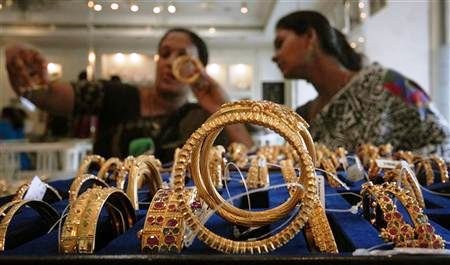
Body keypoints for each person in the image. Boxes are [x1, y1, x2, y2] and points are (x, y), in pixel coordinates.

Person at [5, 28, 253, 163]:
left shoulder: (201, 117)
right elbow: (46, 95)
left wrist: (223, 108)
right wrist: (22, 66)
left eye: (182, 57)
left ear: (198, 70)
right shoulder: (115, 95)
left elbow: (248, 163)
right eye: (164, 54)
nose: (169, 63)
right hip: (105, 213)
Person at [271, 10, 450, 160]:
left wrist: (389, 168)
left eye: (280, 43)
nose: (274, 56)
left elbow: (444, 144)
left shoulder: (388, 83)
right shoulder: (303, 116)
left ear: (310, 37)